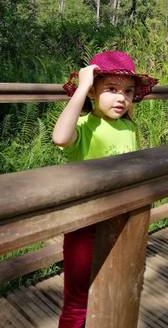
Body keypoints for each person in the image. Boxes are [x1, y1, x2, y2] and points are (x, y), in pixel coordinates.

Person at [53, 50, 158, 328]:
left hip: (120, 223)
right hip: (85, 225)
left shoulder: (128, 127)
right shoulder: (86, 126)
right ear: (93, 92)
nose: (121, 97)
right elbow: (60, 137)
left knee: (116, 290)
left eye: (127, 91)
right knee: (78, 301)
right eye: (110, 89)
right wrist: (83, 85)